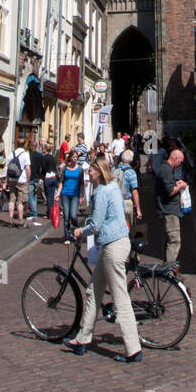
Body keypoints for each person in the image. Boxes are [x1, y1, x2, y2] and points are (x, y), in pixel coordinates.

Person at [63, 157, 143, 364]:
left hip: (113, 247)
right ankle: (82, 339)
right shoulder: (114, 187)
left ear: (100, 171)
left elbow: (97, 224)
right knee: (93, 291)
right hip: (116, 243)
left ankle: (133, 349)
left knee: (120, 298)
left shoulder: (100, 192)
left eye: (91, 170)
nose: (88, 173)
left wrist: (80, 230)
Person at [153, 145, 190, 270]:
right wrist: (180, 186)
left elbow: (168, 186)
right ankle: (169, 271)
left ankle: (166, 268)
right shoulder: (166, 169)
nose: (181, 164)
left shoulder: (166, 169)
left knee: (168, 240)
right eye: (180, 161)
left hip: (167, 209)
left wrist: (176, 183)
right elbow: (169, 191)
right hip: (168, 211)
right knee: (174, 241)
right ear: (175, 158)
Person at [112, 148, 142, 229]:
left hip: (114, 202)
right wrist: (138, 209)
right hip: (126, 202)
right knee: (127, 228)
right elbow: (134, 191)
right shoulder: (131, 172)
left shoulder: (114, 169)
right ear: (131, 160)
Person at [58, 151, 84, 243]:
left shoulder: (80, 169)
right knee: (66, 216)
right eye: (73, 157)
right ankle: (67, 237)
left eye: (76, 157)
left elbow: (81, 184)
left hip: (75, 195)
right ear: (70, 158)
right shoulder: (65, 168)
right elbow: (61, 182)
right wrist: (57, 194)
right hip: (65, 194)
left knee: (73, 215)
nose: (75, 158)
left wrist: (81, 196)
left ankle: (75, 233)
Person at [6, 140, 32, 228]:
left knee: (12, 199)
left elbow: (8, 167)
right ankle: (20, 221)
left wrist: (7, 179)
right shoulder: (25, 154)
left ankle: (10, 219)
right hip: (22, 180)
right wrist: (28, 180)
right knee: (20, 201)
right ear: (24, 145)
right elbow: (28, 168)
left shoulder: (12, 154)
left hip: (12, 179)